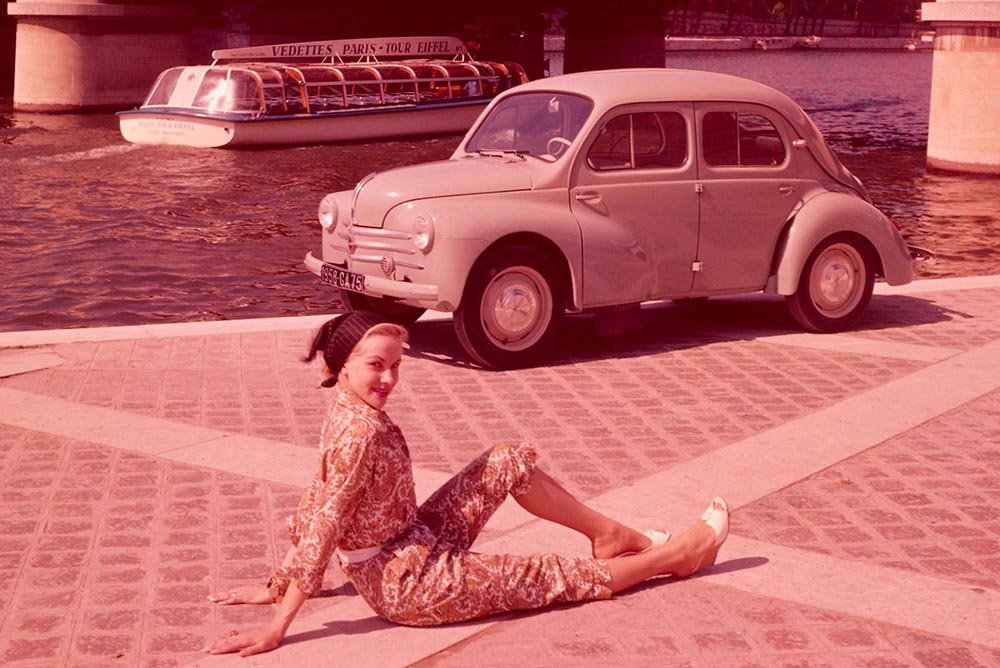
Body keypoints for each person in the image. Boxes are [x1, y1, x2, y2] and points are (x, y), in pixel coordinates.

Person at [203, 311, 730, 657]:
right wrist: (279, 622)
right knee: (545, 574)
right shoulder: (354, 434)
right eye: (374, 366)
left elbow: (317, 501)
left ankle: (611, 535)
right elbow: (325, 521)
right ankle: (677, 557)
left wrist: (275, 582)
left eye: (394, 366)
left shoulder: (348, 408)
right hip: (405, 585)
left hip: (413, 541)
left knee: (505, 460)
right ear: (341, 366)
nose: (387, 379)